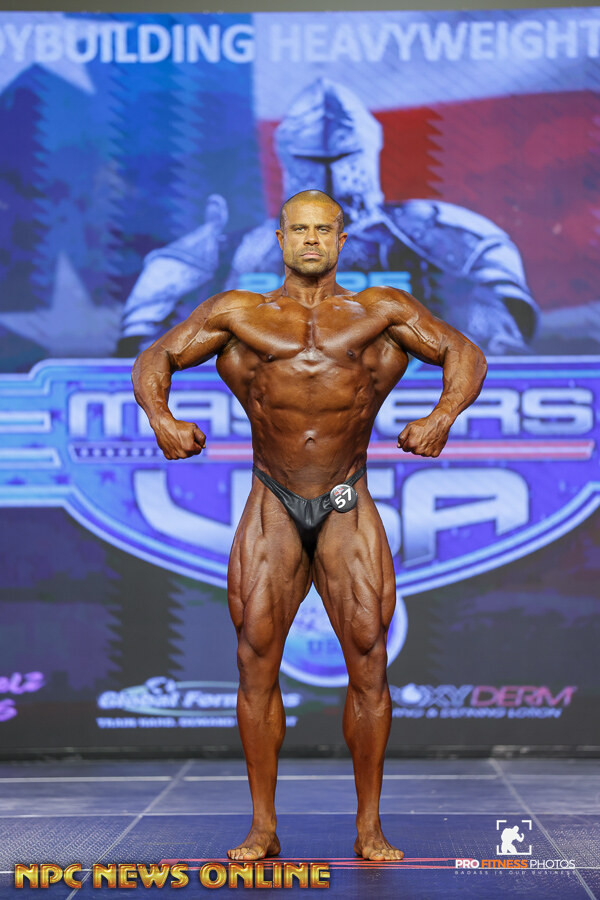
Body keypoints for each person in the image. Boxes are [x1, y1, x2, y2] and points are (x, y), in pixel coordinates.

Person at [132, 189, 487, 862]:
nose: (312, 240)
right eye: (300, 229)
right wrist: (162, 419)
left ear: (342, 240)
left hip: (347, 498)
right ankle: (263, 827)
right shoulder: (239, 313)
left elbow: (463, 351)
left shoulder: (382, 311)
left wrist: (442, 416)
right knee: (255, 659)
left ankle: (370, 827)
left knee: (369, 659)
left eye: (324, 229)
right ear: (281, 239)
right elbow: (157, 357)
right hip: (272, 498)